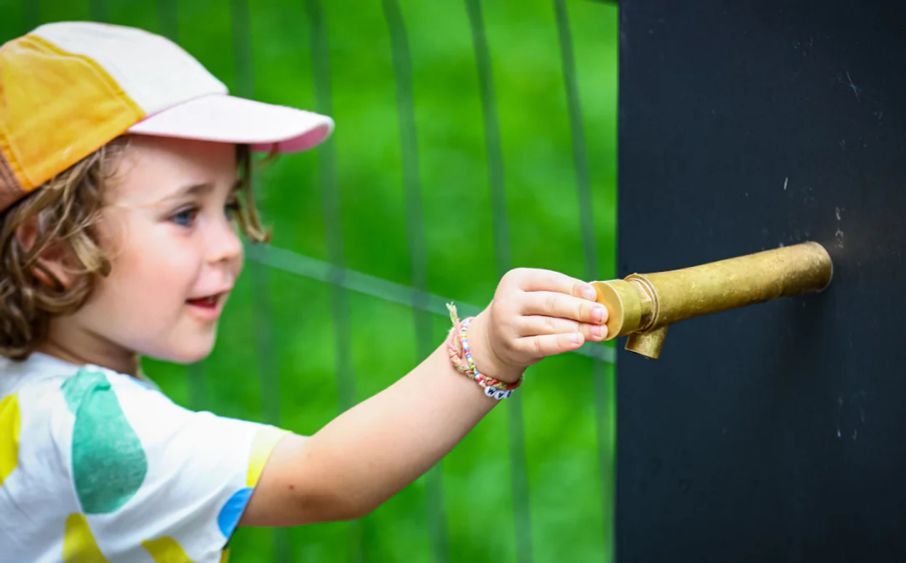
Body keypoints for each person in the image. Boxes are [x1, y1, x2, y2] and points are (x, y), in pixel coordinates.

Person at [0, 21, 609, 561]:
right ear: (51, 249)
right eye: (185, 215)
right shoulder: (95, 433)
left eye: (229, 206)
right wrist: (487, 351)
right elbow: (325, 480)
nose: (229, 244)